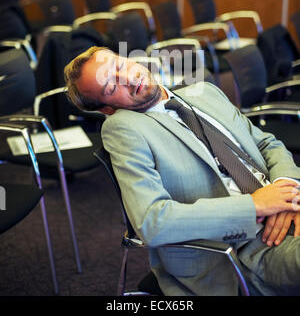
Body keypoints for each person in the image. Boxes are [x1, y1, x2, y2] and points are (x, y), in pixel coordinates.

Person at [64, 46, 300, 296]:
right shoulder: (124, 128)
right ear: (108, 109)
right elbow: (151, 222)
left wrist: (289, 193)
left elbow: (266, 143)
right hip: (247, 246)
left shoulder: (205, 93)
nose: (128, 79)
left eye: (120, 66)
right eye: (112, 88)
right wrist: (255, 206)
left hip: (287, 201)